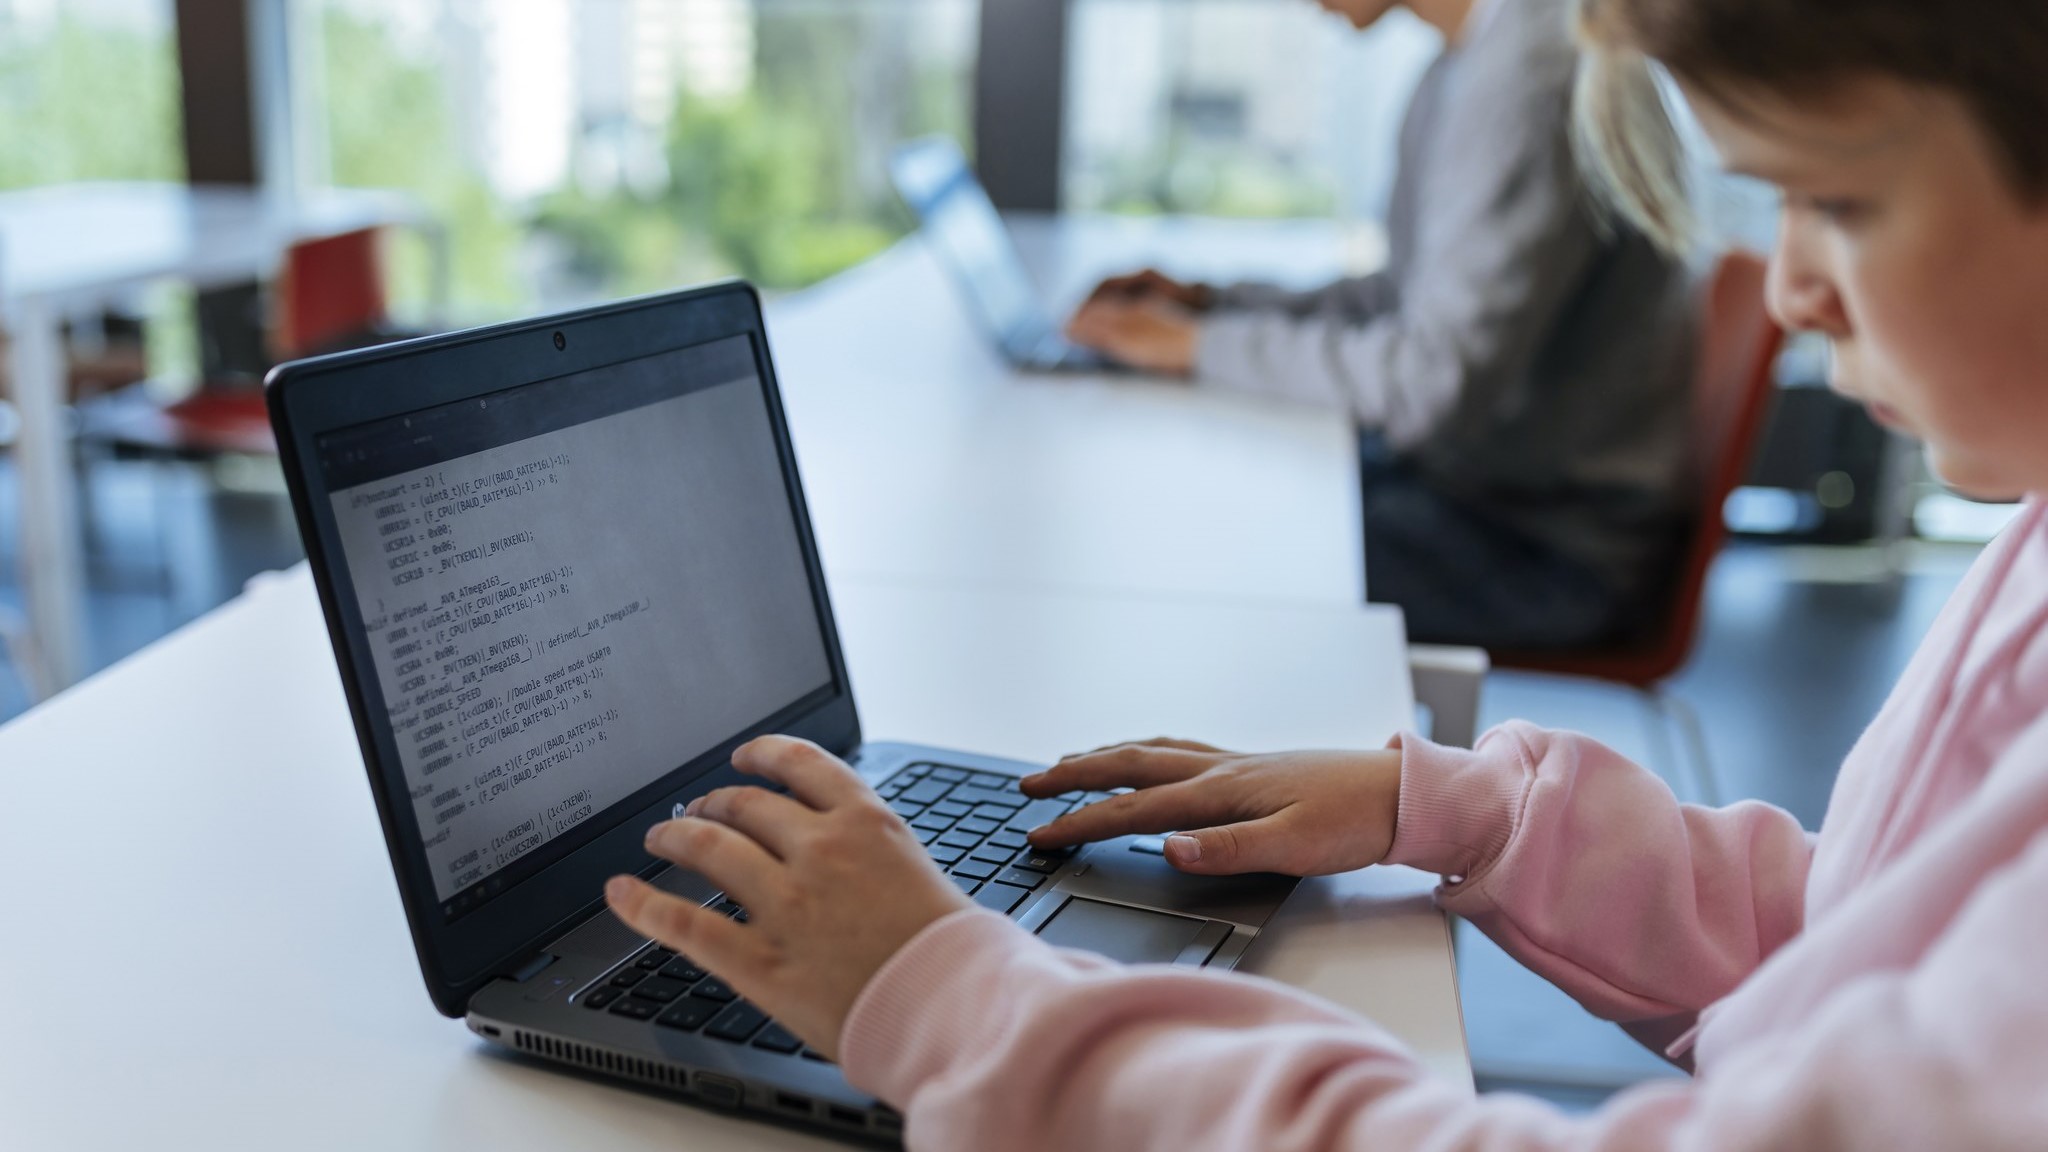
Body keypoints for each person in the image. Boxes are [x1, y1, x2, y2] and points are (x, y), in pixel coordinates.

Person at [605, 0, 2048, 1146]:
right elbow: (1857, 929)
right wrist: (1451, 809)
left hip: (1539, 530)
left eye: (1833, 203)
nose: (1789, 284)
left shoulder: (1524, 63)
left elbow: (1437, 375)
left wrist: (966, 1009)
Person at [1064, 0, 1697, 650]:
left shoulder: (1534, 74)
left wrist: (1199, 347)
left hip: (1545, 548)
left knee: (1202, 552)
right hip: (1478, 489)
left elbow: (1430, 384)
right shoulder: (1465, 60)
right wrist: (1216, 306)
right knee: (1201, 499)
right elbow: (1402, 299)